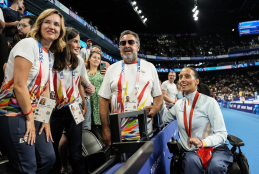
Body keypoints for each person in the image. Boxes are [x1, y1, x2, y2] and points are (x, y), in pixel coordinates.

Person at [0, 8, 66, 173]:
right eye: (47, 22)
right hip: (14, 112)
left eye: (56, 24)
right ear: (39, 25)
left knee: (48, 158)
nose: (52, 26)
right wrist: (30, 118)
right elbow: (19, 85)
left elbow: (45, 90)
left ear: (60, 31)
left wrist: (45, 120)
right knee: (27, 166)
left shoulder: (49, 54)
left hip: (33, 114)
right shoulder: (28, 44)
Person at [158, 67, 233, 174]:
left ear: (197, 81)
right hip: (191, 151)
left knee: (215, 167)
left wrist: (203, 142)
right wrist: (159, 95)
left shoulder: (210, 102)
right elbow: (164, 117)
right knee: (191, 163)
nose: (182, 79)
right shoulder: (179, 104)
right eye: (180, 77)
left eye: (187, 76)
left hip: (215, 148)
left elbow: (222, 134)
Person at [98, 30, 163, 145]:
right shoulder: (112, 69)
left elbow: (158, 96)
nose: (126, 45)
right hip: (119, 130)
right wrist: (105, 128)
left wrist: (156, 107)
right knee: (124, 161)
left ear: (137, 47)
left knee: (146, 161)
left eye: (130, 42)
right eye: (123, 43)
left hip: (146, 129)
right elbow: (103, 100)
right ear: (120, 47)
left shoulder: (149, 67)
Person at [50, 27, 87, 174]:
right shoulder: (51, 59)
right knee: (52, 153)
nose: (79, 45)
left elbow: (78, 84)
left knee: (76, 153)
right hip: (54, 110)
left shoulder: (79, 61)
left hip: (74, 109)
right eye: (75, 41)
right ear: (65, 42)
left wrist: (83, 103)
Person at [86, 50, 106, 136]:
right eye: (94, 57)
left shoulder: (104, 73)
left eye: (99, 58)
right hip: (88, 103)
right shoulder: (84, 72)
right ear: (89, 59)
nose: (96, 60)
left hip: (100, 104)